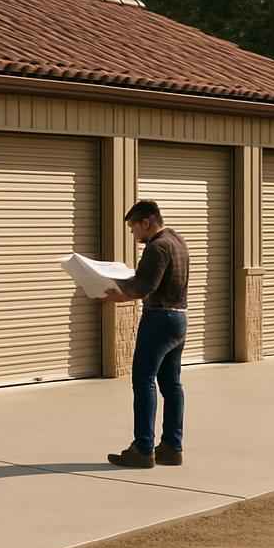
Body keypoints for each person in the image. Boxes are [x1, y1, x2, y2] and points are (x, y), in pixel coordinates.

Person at [102, 200, 190, 469]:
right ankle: (172, 448)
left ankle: (142, 448)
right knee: (171, 385)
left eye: (133, 228)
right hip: (178, 319)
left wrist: (113, 294)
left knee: (143, 381)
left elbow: (143, 287)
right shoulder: (178, 241)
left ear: (147, 222)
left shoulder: (157, 247)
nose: (133, 234)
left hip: (159, 320)